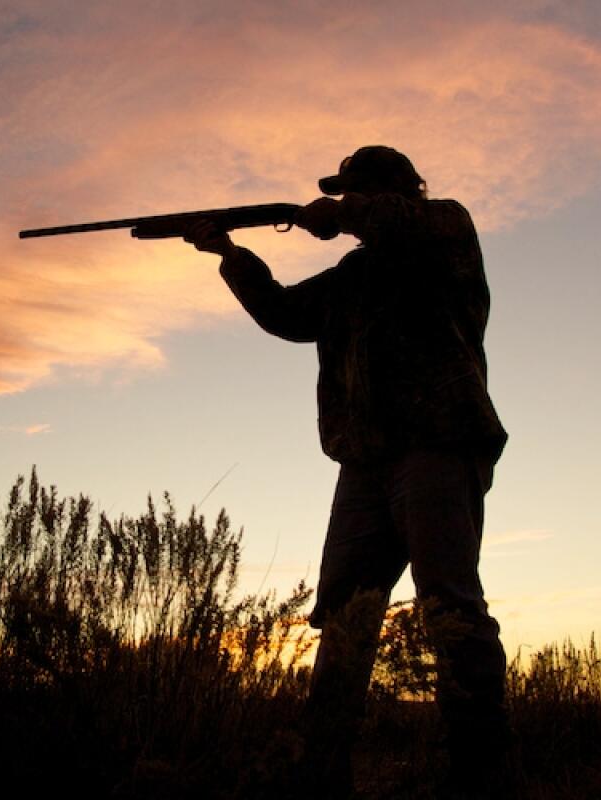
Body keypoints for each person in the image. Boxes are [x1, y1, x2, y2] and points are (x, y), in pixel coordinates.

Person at [184, 146, 511, 798]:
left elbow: (395, 220)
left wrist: (341, 213)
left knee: (450, 608)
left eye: (357, 190)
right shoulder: (353, 276)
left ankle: (482, 780)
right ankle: (320, 774)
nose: (345, 201)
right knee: (344, 621)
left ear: (391, 192)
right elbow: (285, 315)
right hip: (364, 460)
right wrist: (227, 253)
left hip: (439, 443)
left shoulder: (445, 231)